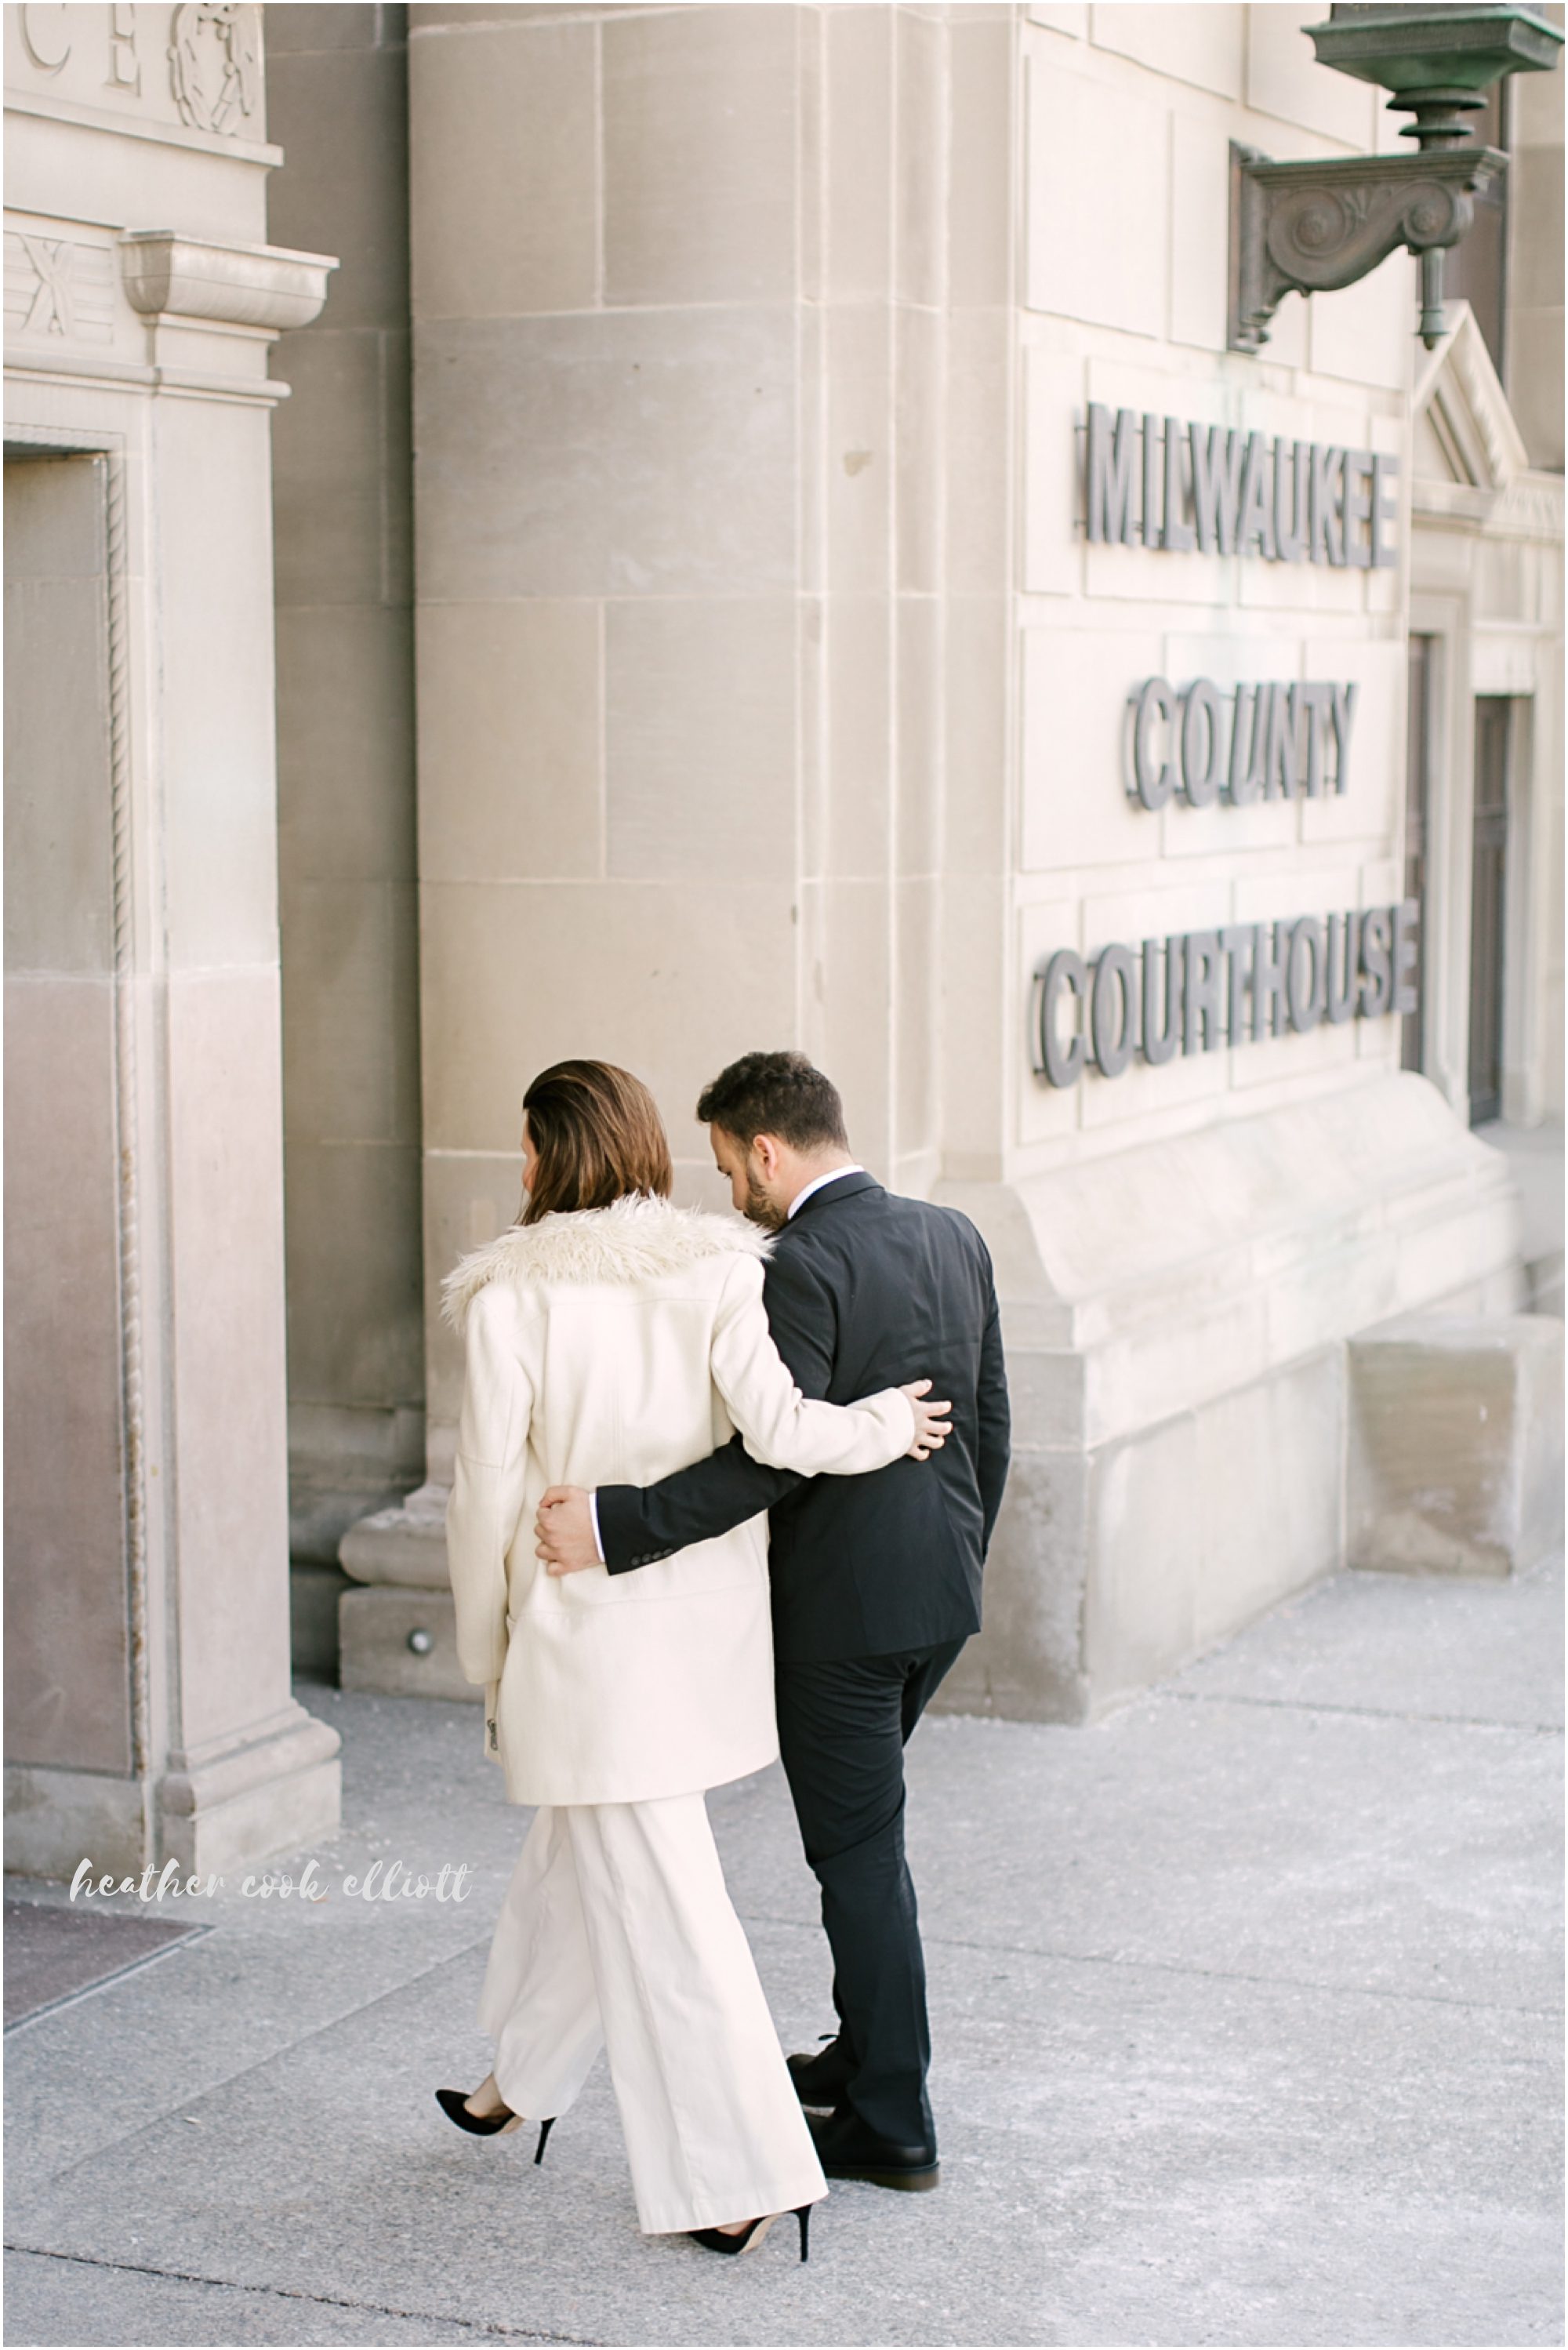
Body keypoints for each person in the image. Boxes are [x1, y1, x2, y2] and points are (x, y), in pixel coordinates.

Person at [436, 1058, 952, 2262]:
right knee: (590, 1853)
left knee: (666, 1912)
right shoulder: (722, 1264)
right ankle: (517, 2077)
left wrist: (485, 1648)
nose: (517, 1167)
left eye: (523, 1147)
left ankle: (745, 2172)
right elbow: (779, 1433)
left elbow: (481, 1497)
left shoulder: (513, 1300)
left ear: (552, 1156)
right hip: (700, 1651)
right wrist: (886, 1423)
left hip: (583, 1645)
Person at [535, 1052, 1011, 2193]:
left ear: (765, 1149)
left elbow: (768, 1458)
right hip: (938, 1600)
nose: (729, 1195)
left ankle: (892, 2114)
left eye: (729, 1167)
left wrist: (618, 1523)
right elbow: (991, 1422)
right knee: (866, 1835)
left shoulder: (792, 1263)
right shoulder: (955, 1234)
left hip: (842, 1625)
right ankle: (863, 2052)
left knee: (859, 1857)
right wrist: (958, 1559)